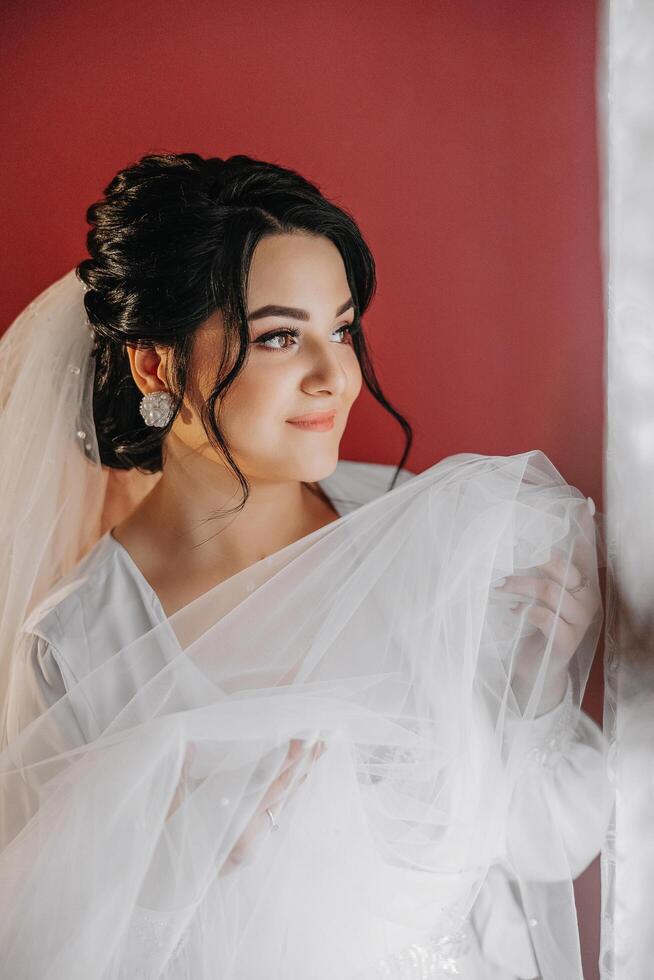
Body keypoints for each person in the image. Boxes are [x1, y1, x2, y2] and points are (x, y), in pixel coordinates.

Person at [0, 152, 610, 979]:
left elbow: (556, 843)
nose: (337, 377)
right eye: (281, 336)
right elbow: (56, 953)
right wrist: (179, 868)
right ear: (155, 364)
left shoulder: (422, 526)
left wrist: (533, 692)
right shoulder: (77, 645)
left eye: (343, 328)